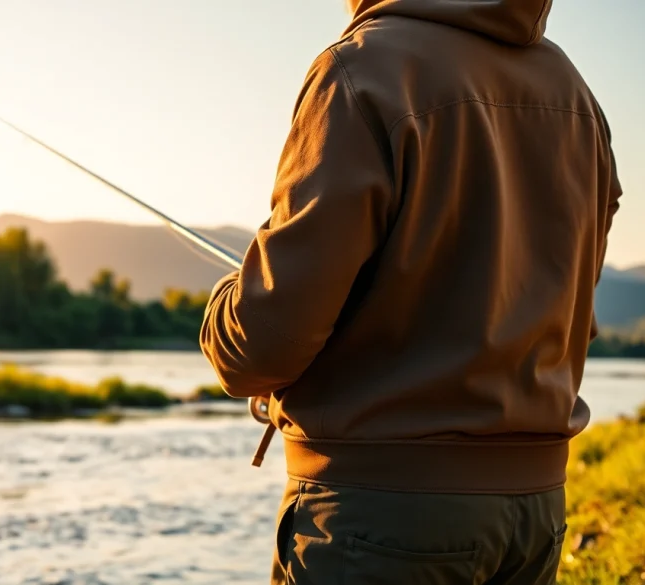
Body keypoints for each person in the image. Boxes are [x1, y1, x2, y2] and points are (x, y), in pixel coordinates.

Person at [198, 0, 623, 583]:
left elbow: (264, 342)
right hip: (536, 514)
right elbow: (572, 290)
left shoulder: (361, 69)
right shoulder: (573, 92)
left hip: (379, 518)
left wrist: (225, 306)